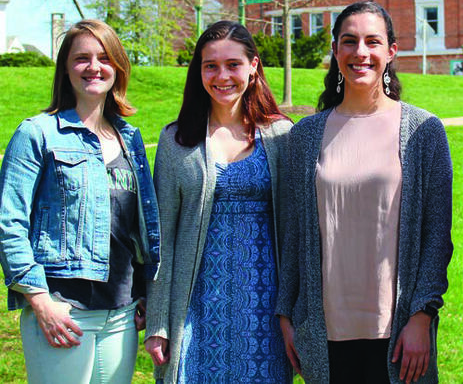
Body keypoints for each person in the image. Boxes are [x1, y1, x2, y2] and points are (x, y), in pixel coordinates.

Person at [276, 1, 453, 384]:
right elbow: (293, 235)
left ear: (391, 50)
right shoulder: (305, 136)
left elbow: (437, 236)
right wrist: (287, 314)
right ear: (335, 50)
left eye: (372, 42)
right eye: (349, 41)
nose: (360, 53)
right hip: (324, 335)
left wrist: (423, 315)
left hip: (401, 335)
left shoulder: (424, 132)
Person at [0, 20, 161, 384]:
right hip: (63, 309)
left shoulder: (129, 138)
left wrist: (143, 292)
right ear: (65, 69)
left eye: (104, 58)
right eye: (81, 58)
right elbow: (9, 222)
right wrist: (40, 299)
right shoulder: (37, 133)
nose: (93, 67)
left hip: (121, 312)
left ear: (117, 67)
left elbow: (135, 224)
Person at [144, 21, 292, 383]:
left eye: (233, 65)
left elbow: (296, 232)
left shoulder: (283, 135)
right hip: (194, 304)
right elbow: (161, 235)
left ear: (253, 66)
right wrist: (158, 320)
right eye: (210, 65)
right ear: (199, 72)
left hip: (264, 307)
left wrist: (294, 312)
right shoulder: (176, 140)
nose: (222, 75)